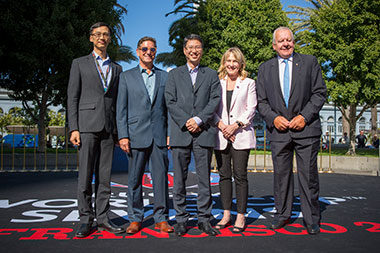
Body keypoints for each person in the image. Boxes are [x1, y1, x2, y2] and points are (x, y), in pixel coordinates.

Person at [256, 27, 326, 235]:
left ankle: (311, 218)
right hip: (279, 132)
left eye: (289, 40)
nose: (286, 44)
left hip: (306, 129)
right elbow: (261, 101)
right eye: (281, 41)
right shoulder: (264, 68)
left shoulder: (310, 62)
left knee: (308, 176)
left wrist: (303, 117)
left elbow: (319, 93)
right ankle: (282, 215)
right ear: (274, 45)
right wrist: (273, 118)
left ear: (294, 42)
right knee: (281, 177)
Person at [67, 22, 125, 237]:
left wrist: (119, 132)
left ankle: (103, 218)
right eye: (98, 34)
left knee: (104, 177)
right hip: (86, 127)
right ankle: (85, 219)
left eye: (106, 35)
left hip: (108, 129)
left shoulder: (117, 68)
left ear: (110, 39)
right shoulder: (79, 64)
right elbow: (72, 97)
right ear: (91, 38)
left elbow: (118, 102)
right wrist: (74, 128)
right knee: (85, 176)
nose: (102, 37)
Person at [165, 34, 221, 236]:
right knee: (179, 179)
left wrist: (198, 120)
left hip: (204, 132)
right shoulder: (174, 74)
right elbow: (170, 102)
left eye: (197, 47)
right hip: (181, 133)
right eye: (190, 47)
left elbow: (214, 100)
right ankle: (181, 219)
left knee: (204, 179)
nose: (194, 51)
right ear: (184, 50)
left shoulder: (211, 74)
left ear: (202, 50)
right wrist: (186, 121)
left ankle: (204, 219)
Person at [116, 36, 173, 234]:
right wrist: (123, 135)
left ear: (155, 52)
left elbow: (169, 110)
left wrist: (169, 134)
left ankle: (161, 218)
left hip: (159, 136)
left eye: (152, 49)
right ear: (138, 51)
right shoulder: (126, 76)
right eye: (144, 49)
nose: (148, 52)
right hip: (135, 135)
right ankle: (135, 218)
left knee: (160, 179)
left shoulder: (165, 77)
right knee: (134, 180)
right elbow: (120, 109)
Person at [213, 47, 256, 233]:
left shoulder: (249, 83)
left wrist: (235, 126)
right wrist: (222, 126)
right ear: (224, 63)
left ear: (240, 64)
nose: (231, 64)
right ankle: (226, 214)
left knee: (240, 176)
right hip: (221, 135)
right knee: (223, 176)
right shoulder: (217, 83)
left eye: (235, 61)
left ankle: (240, 215)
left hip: (241, 135)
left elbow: (251, 109)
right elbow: (211, 108)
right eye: (228, 60)